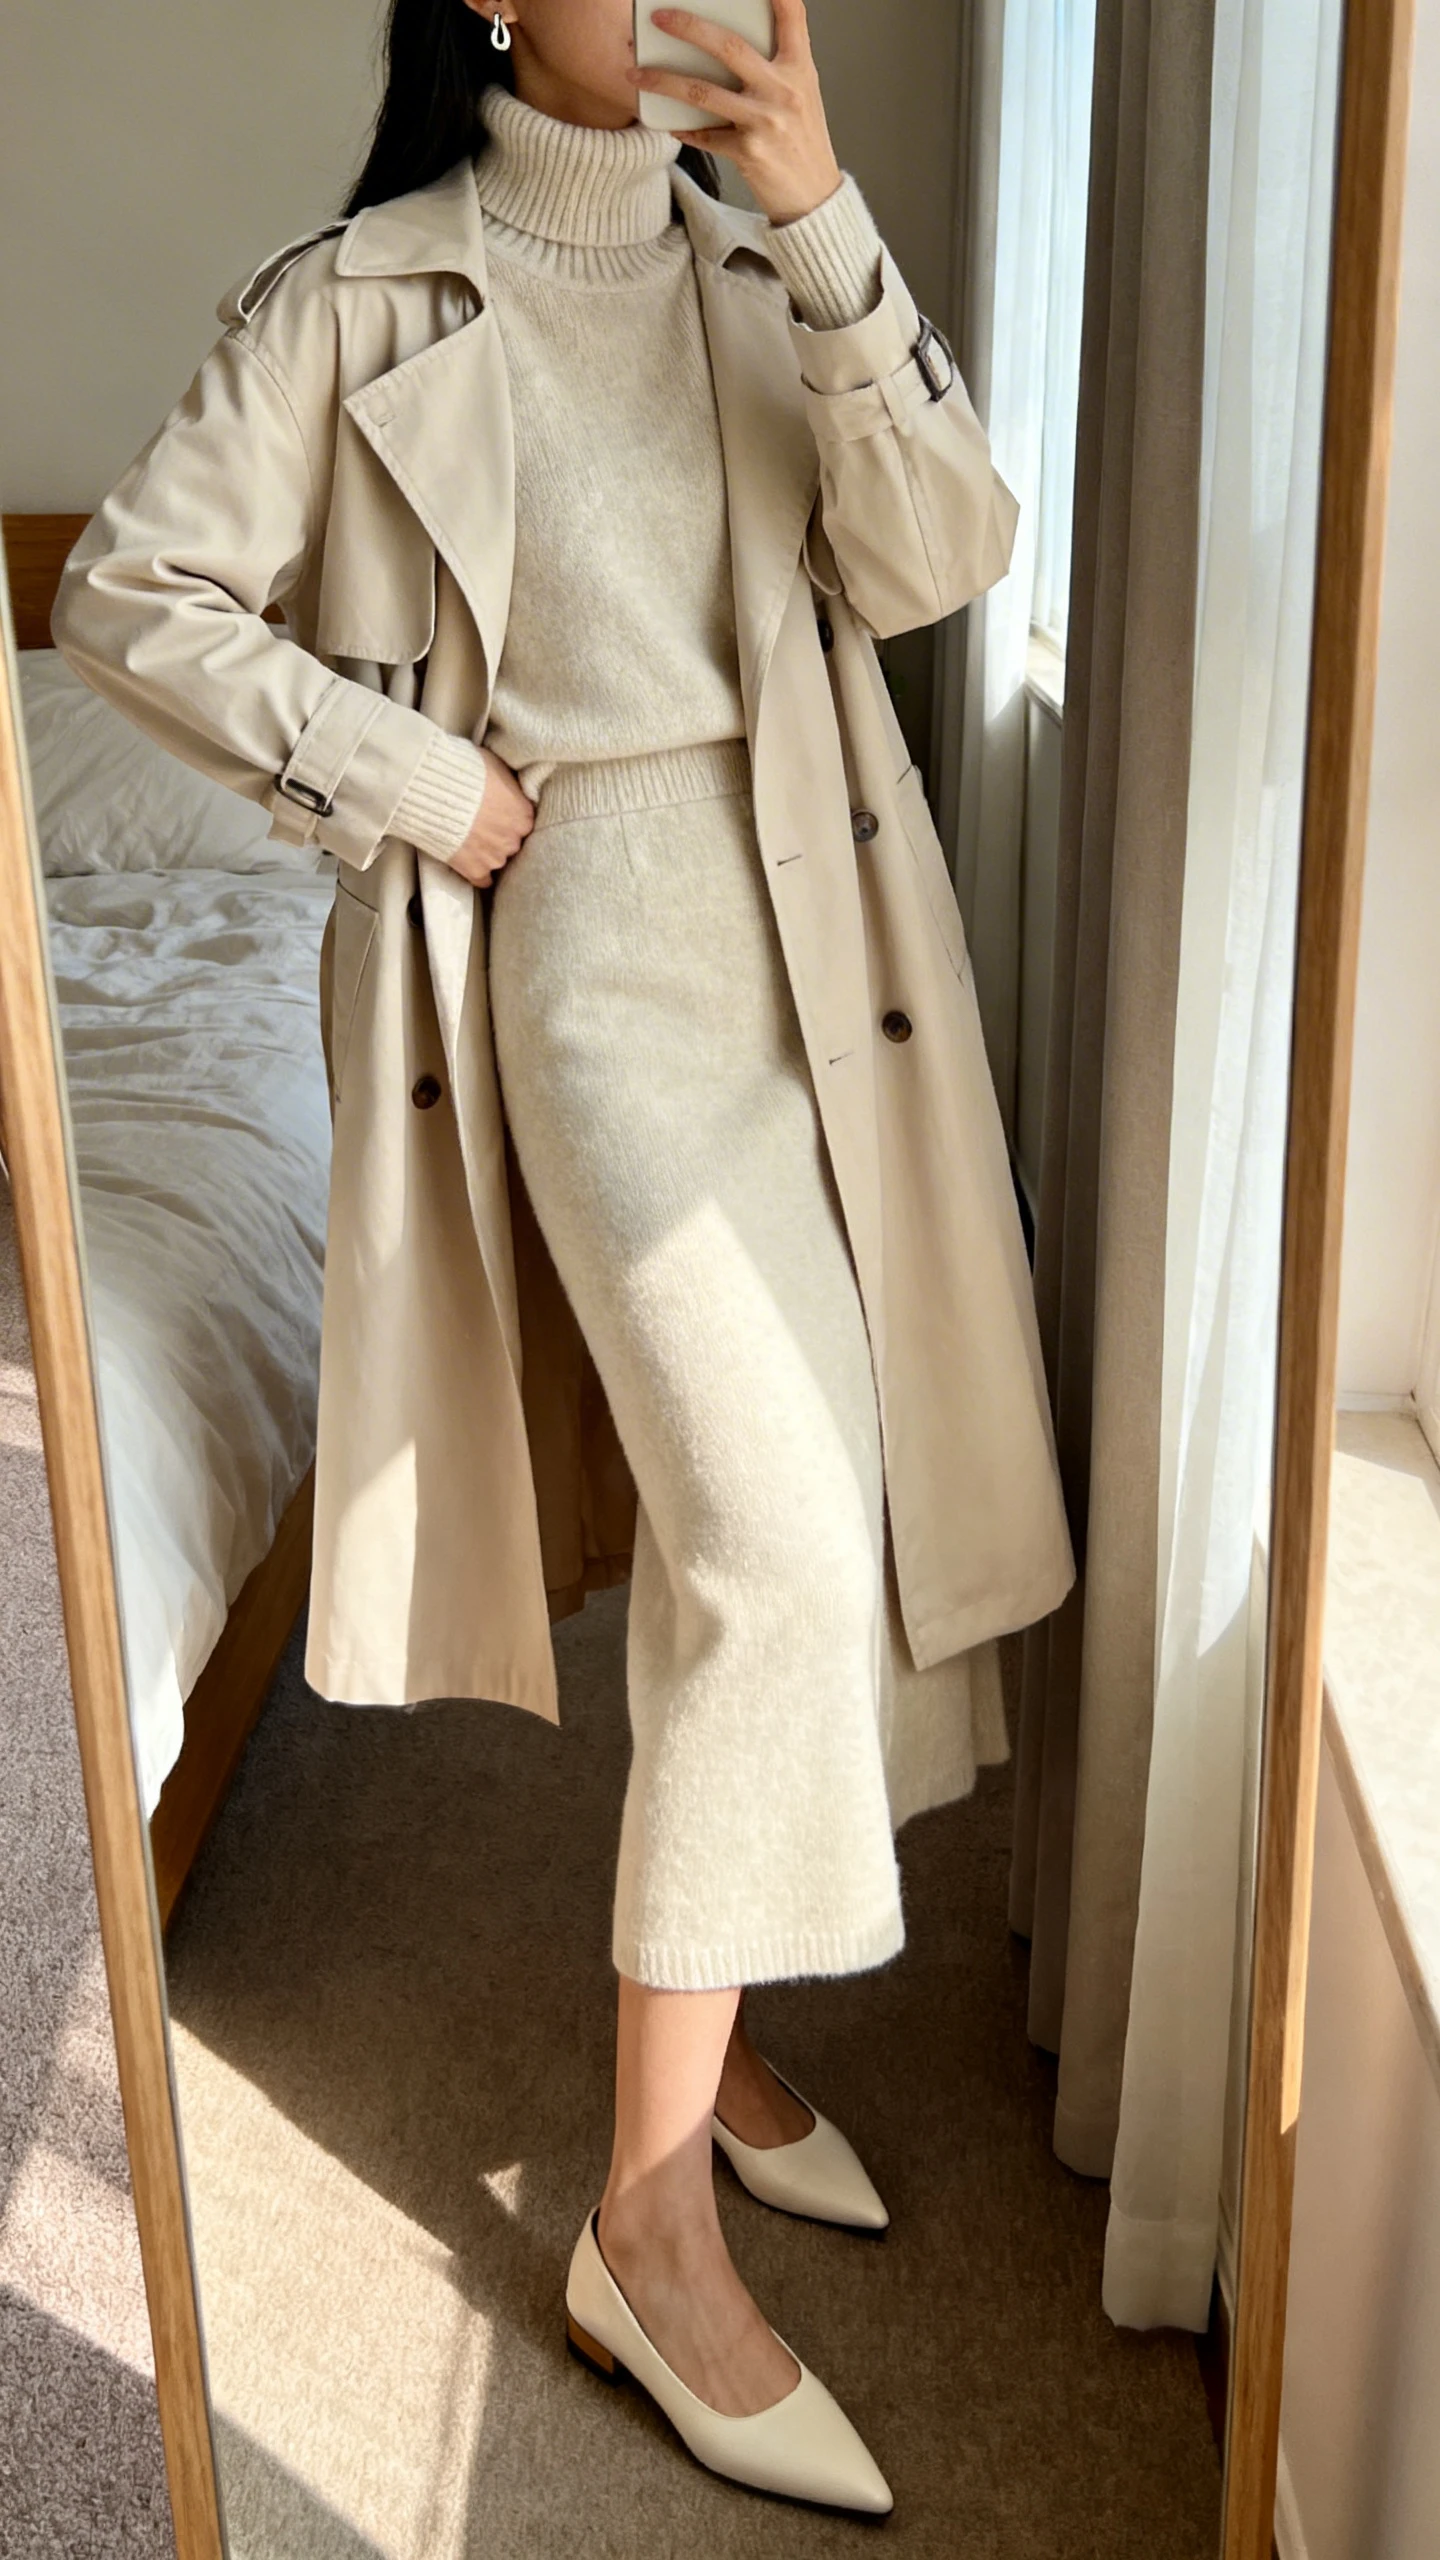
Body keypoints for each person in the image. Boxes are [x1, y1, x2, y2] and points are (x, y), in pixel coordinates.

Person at [55, 0, 1075, 2513]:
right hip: (590, 962)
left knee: (822, 1504)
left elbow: (944, 554)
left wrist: (829, 208)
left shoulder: (766, 269)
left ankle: (707, 2039)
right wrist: (413, 773)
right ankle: (637, 2221)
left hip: (830, 957)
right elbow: (123, 595)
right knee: (768, 1530)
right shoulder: (358, 296)